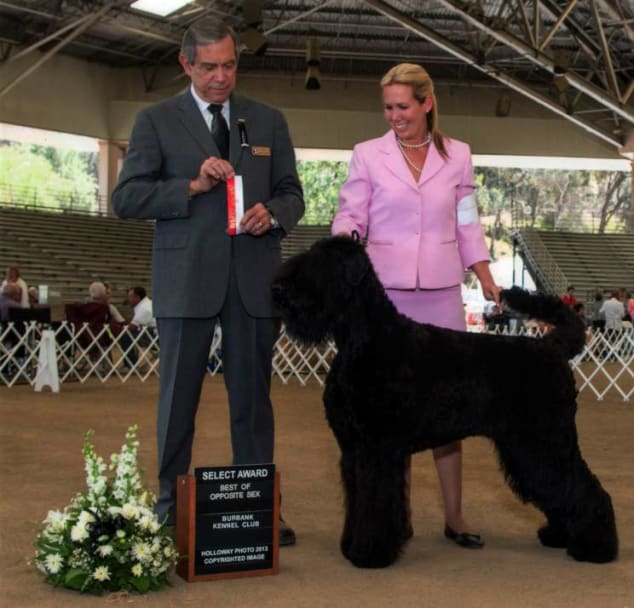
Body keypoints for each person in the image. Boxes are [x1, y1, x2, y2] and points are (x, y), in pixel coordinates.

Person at [112, 17, 304, 545]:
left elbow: (293, 194)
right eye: (209, 67)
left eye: (229, 65)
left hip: (252, 279)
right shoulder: (155, 120)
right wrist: (190, 186)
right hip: (185, 278)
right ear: (185, 64)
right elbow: (125, 198)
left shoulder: (268, 121)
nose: (221, 77)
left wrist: (274, 214)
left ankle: (258, 508)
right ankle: (169, 508)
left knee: (252, 403)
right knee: (177, 403)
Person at [331, 62, 501, 549]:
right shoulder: (366, 155)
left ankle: (456, 517)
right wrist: (346, 246)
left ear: (426, 103)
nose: (393, 116)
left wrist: (485, 274)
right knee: (389, 413)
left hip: (445, 292)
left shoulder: (460, 156)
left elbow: (467, 223)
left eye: (402, 106)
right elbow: (350, 212)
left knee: (449, 408)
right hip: (385, 297)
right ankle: (394, 519)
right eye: (387, 107)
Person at [119, 286, 156, 370]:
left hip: (155, 338)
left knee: (126, 336)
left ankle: (129, 365)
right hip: (154, 334)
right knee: (129, 335)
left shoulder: (144, 308)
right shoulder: (147, 304)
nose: (128, 299)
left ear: (137, 297)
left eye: (130, 296)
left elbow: (131, 328)